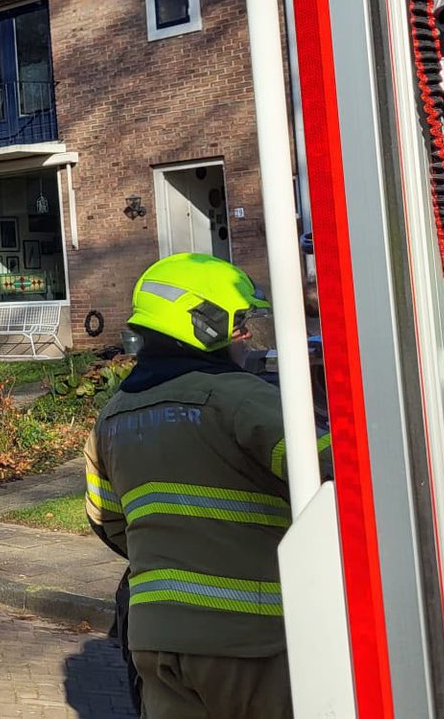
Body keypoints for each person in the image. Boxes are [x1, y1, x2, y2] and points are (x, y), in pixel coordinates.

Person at [85, 252, 332, 719]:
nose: (247, 336)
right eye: (240, 325)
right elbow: (338, 473)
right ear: (205, 325)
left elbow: (107, 520)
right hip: (254, 640)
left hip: (155, 640)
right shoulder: (242, 400)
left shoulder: (111, 417)